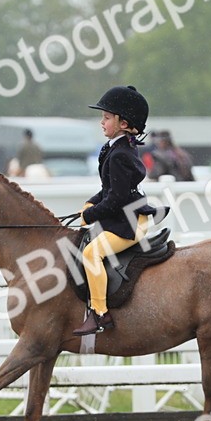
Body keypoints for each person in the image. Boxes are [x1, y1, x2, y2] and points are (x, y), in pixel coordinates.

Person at [75, 85, 158, 336]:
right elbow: (108, 188)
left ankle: (100, 314)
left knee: (91, 254)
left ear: (123, 123)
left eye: (107, 117)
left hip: (130, 222)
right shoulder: (115, 148)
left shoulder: (120, 153)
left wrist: (91, 214)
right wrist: (91, 203)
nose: (102, 122)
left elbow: (117, 198)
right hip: (124, 213)